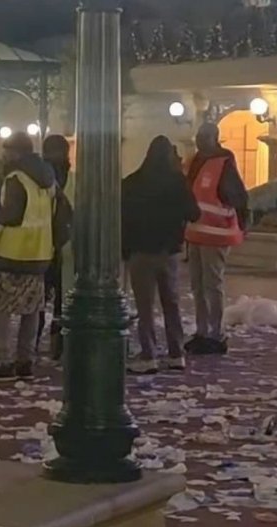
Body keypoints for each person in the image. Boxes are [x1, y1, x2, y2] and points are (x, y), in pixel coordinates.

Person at [0, 133, 70, 381]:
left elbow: (12, 216)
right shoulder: (48, 178)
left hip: (12, 253)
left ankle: (3, 361)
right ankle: (25, 360)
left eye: (6, 150)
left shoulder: (16, 177)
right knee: (31, 309)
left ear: (15, 152)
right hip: (39, 254)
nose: (4, 154)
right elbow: (60, 212)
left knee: (1, 308)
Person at [123, 136, 202, 374]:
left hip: (140, 251)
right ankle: (176, 352)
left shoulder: (133, 183)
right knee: (171, 303)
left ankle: (149, 354)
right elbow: (194, 213)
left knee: (144, 306)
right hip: (168, 251)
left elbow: (122, 216)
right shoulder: (177, 182)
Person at [184, 123, 248, 356]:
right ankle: (202, 331)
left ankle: (215, 332)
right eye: (199, 136)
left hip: (216, 234)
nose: (200, 140)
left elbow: (237, 197)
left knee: (212, 285)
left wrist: (243, 222)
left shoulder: (223, 162)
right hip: (195, 233)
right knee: (198, 285)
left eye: (204, 137)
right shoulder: (194, 161)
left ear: (215, 138)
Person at [37, 135, 75, 362]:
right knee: (62, 297)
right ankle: (57, 343)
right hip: (64, 247)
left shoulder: (38, 179)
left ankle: (34, 340)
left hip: (39, 244)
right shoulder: (72, 179)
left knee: (39, 298)